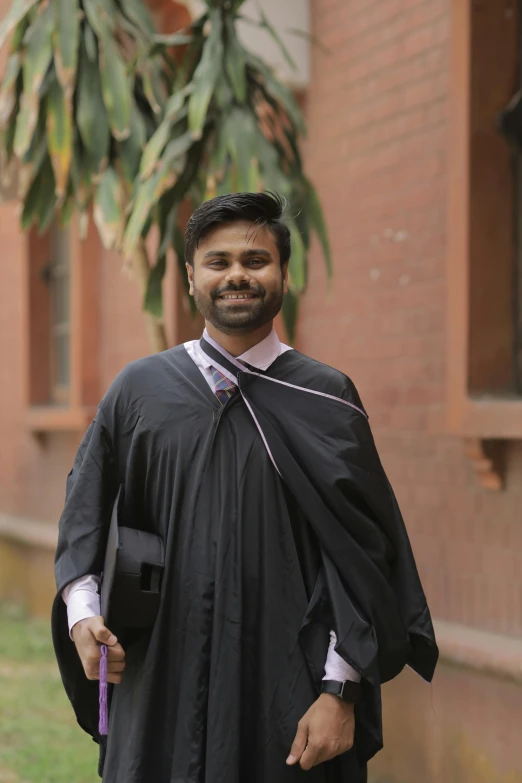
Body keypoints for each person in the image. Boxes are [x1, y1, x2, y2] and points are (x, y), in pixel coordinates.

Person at [52, 192, 438, 783]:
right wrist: (83, 617)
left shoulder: (326, 401)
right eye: (218, 261)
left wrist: (340, 690)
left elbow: (364, 560)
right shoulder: (139, 392)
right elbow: (84, 516)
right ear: (190, 277)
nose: (237, 274)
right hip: (161, 680)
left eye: (255, 260)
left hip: (288, 691)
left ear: (284, 273)